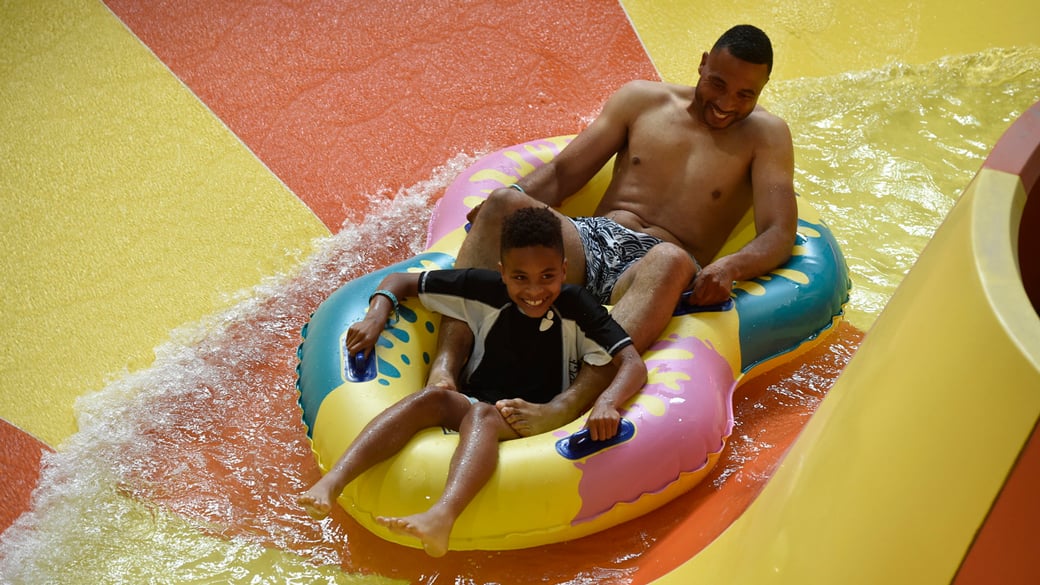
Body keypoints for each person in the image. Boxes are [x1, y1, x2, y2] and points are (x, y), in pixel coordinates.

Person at [426, 24, 798, 438]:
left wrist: (729, 267)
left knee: (671, 259)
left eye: (746, 95)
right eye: (718, 83)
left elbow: (778, 231)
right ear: (703, 62)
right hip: (591, 239)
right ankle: (444, 369)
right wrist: (508, 201)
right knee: (503, 203)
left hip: (656, 265)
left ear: (763, 89)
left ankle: (565, 404)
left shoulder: (767, 137)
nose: (727, 104)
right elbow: (564, 174)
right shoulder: (642, 101)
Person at [297, 207, 646, 557]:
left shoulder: (577, 305)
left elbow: (632, 363)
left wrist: (607, 402)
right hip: (476, 399)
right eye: (520, 277)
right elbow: (400, 282)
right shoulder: (483, 289)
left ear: (565, 271)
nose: (535, 290)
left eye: (548, 276)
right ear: (502, 272)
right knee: (430, 399)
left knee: (483, 417)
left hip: (535, 414)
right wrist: (377, 314)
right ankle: (333, 482)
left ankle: (442, 516)